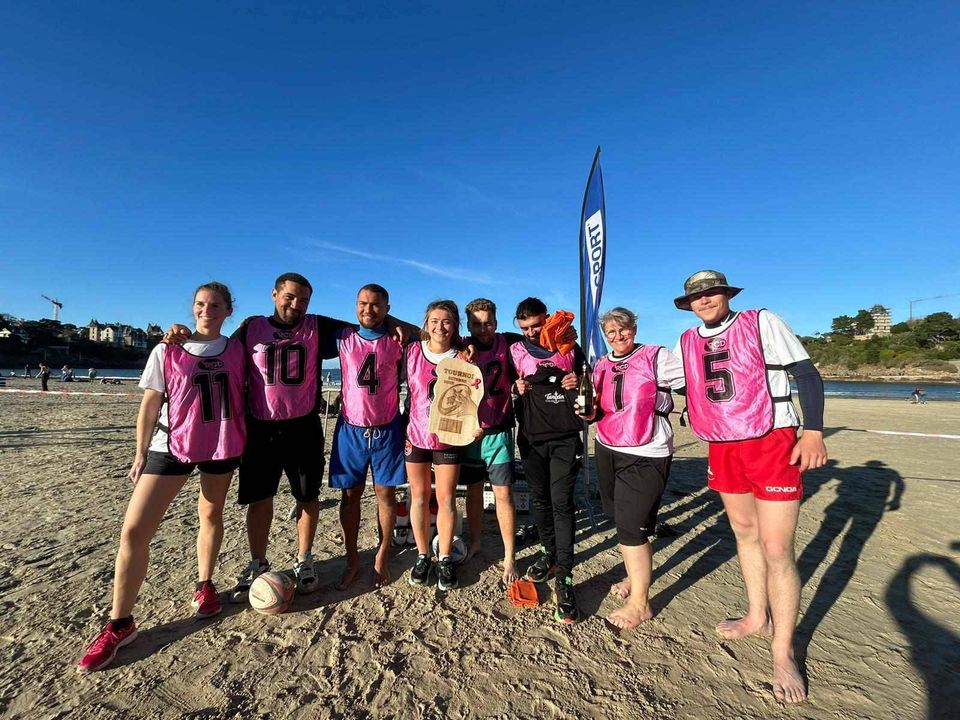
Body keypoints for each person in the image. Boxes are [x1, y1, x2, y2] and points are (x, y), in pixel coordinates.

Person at [673, 270, 827, 704]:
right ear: (689, 304)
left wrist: (813, 431)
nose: (705, 300)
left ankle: (783, 653)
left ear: (725, 294)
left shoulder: (761, 322)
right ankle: (757, 614)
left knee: (778, 547)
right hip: (724, 443)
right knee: (744, 534)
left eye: (712, 293)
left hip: (772, 438)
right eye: (696, 297)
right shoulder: (687, 341)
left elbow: (807, 375)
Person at [77, 282, 246, 672]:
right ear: (193, 308)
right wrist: (139, 453)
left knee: (211, 515)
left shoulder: (237, 349)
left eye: (216, 305)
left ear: (228, 311)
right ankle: (120, 623)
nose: (207, 310)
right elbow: (151, 403)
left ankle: (205, 585)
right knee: (134, 531)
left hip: (221, 442)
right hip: (170, 444)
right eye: (201, 304)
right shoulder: (166, 349)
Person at [577, 307, 685, 629]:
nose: (617, 337)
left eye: (623, 330)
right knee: (622, 519)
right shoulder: (599, 365)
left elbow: (695, 375)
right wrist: (585, 411)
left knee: (630, 526)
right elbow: (594, 408)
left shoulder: (656, 357)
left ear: (634, 329)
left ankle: (640, 602)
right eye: (610, 332)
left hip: (647, 450)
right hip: (609, 446)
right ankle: (634, 577)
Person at [510, 297, 586, 623]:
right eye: (524, 327)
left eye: (536, 326)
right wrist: (517, 389)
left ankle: (565, 576)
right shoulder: (515, 352)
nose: (530, 332)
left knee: (561, 503)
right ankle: (548, 553)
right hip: (531, 440)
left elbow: (591, 391)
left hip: (566, 438)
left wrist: (578, 383)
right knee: (540, 501)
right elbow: (502, 391)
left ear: (547, 319)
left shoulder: (571, 348)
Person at [330, 284, 409, 590]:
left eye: (376, 305)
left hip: (387, 428)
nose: (368, 309)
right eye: (363, 303)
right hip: (351, 428)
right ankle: (352, 559)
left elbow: (427, 335)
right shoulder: (343, 337)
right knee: (350, 496)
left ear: (387, 309)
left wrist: (398, 325)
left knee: (385, 495)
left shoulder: (398, 340)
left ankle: (382, 553)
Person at [404, 300, 474, 592]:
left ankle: (444, 557)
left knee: (445, 499)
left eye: (446, 321)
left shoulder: (465, 357)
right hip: (416, 435)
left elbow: (473, 398)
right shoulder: (410, 352)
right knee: (418, 497)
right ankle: (422, 555)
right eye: (434, 320)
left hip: (449, 437)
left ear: (455, 325)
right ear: (426, 323)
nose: (439, 326)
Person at [461, 298, 521, 585]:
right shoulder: (461, 346)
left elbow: (542, 341)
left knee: (503, 495)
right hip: (469, 433)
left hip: (498, 431)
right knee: (473, 493)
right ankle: (475, 542)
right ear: (468, 325)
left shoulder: (508, 342)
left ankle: (510, 555)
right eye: (476, 323)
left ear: (496, 322)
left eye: (487, 323)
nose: (482, 329)